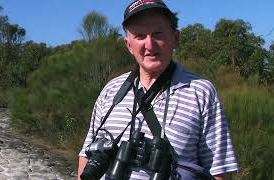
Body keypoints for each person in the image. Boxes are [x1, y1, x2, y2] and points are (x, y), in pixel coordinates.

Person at [78, 0, 239, 179]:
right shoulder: (111, 90)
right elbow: (86, 155)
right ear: (128, 45)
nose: (149, 44)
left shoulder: (202, 92)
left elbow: (218, 172)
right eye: (139, 36)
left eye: (158, 34)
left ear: (175, 38)